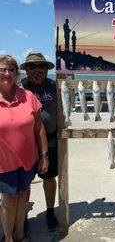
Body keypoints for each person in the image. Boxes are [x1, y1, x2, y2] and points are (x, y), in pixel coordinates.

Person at [0, 55, 48, 242]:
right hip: (4, 162)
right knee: (8, 200)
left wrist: (44, 155)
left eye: (11, 70)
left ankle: (20, 234)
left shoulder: (28, 96)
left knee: (22, 197)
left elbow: (39, 128)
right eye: (3, 70)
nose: (7, 74)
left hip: (27, 159)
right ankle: (9, 237)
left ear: (17, 74)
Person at [20, 52, 58, 232]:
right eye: (32, 66)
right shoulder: (19, 88)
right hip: (25, 143)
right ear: (26, 70)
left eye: (40, 66)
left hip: (50, 139)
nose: (36, 70)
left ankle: (50, 212)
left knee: (49, 178)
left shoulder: (54, 86)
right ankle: (23, 215)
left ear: (46, 69)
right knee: (25, 182)